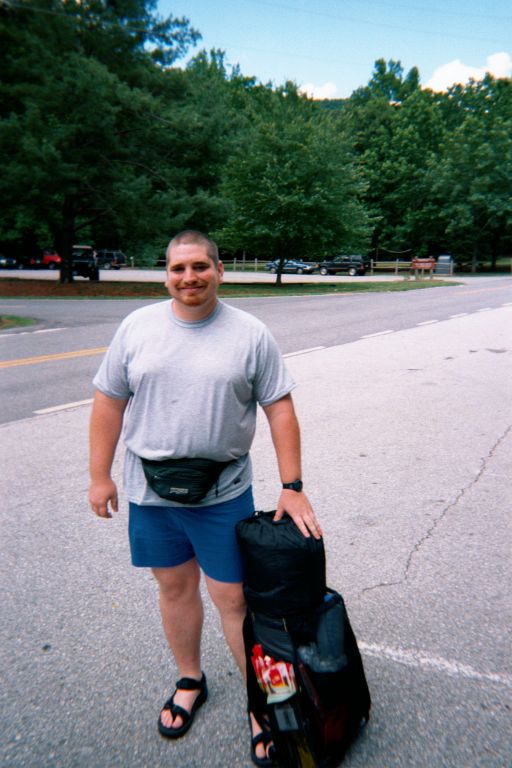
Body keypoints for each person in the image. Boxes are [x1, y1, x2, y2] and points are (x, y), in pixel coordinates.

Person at [88, 230, 322, 766]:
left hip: (222, 494)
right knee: (173, 589)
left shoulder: (250, 333)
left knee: (234, 599)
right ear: (165, 273)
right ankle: (191, 679)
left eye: (199, 267)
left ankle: (258, 704)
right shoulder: (136, 328)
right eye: (177, 268)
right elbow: (107, 403)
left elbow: (279, 408)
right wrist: (99, 475)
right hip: (151, 492)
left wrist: (293, 488)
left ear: (220, 271)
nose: (188, 277)